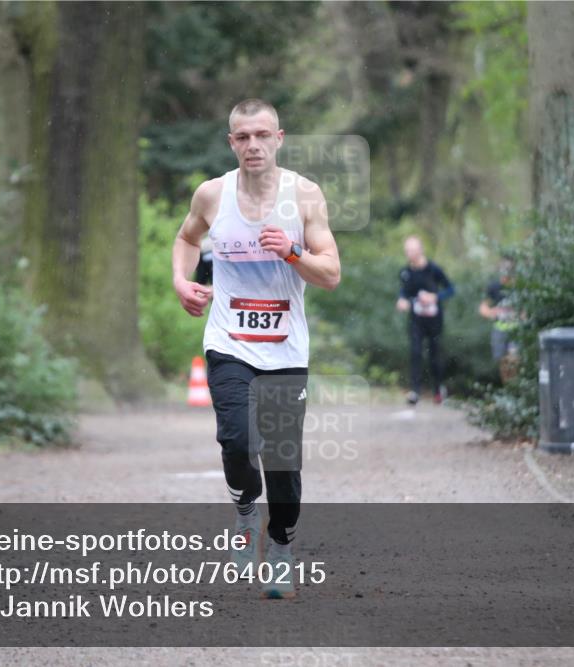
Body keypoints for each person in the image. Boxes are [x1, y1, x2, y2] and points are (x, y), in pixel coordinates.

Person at [171, 98, 341, 599]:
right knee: (238, 441)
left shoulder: (304, 195)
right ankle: (246, 512)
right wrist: (181, 281)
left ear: (279, 139)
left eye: (262, 135)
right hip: (229, 342)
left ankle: (281, 547)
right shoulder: (212, 194)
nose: (253, 145)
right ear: (232, 143)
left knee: (284, 468)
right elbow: (186, 238)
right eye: (243, 137)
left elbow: (331, 273)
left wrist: (292, 251)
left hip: (285, 351)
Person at [396, 237, 454, 405]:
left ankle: (438, 390)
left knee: (435, 354)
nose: (409, 254)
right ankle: (415, 391)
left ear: (421, 250)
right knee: (415, 352)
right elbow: (405, 292)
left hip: (434, 320)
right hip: (416, 320)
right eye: (407, 250)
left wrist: (435, 297)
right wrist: (402, 300)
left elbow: (451, 289)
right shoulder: (405, 272)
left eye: (412, 250)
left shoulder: (434, 269)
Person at [478, 256, 519, 383]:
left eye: (509, 268)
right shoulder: (494, 287)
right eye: (503, 267)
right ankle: (509, 388)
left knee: (514, 359)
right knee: (503, 362)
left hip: (516, 331)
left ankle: (516, 386)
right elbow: (483, 308)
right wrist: (492, 312)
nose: (506, 270)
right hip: (499, 330)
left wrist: (522, 315)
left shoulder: (519, 287)